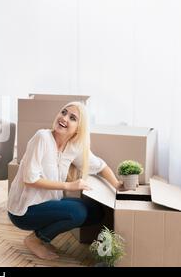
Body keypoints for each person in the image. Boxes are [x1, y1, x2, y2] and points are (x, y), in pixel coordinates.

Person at [7, 102, 123, 260]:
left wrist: (117, 185)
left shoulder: (73, 147)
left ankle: (42, 235)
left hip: (50, 202)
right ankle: (35, 239)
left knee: (96, 212)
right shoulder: (42, 137)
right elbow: (30, 179)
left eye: (72, 117)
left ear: (78, 128)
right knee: (77, 212)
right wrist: (69, 185)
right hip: (25, 210)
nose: (64, 118)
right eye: (63, 112)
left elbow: (100, 166)